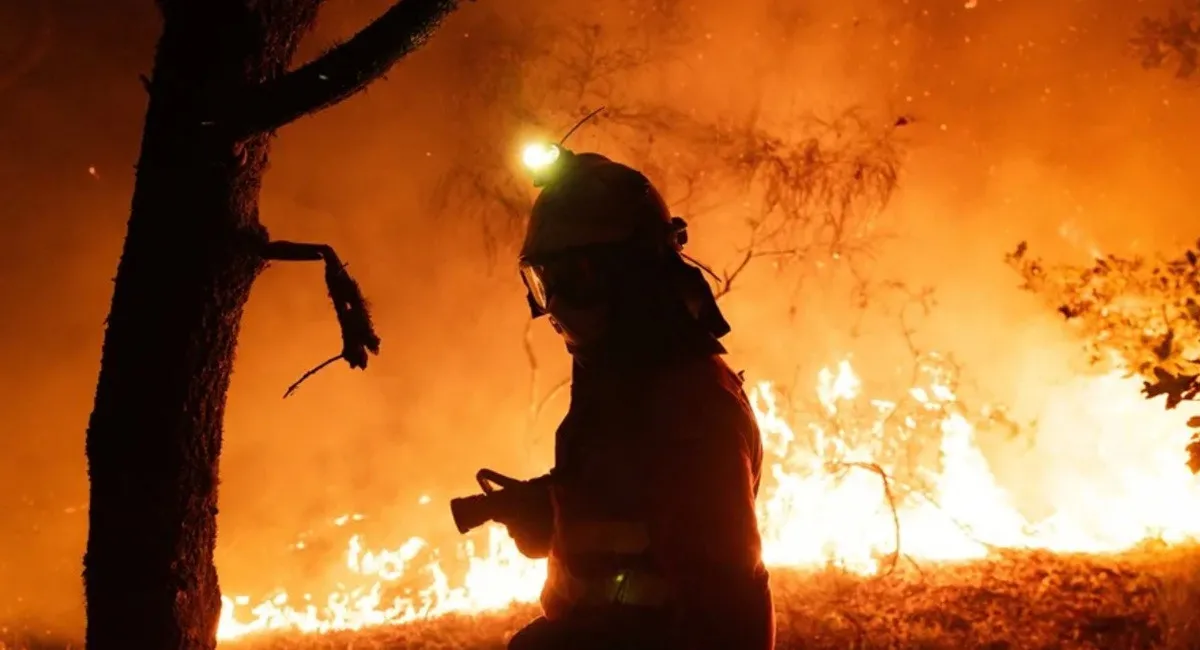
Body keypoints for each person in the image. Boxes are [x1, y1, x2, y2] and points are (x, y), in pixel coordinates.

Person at [499, 148, 775, 650]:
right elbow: (625, 508)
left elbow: (725, 607)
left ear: (631, 273)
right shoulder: (618, 379)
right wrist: (548, 506)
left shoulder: (689, 409)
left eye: (574, 277)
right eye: (545, 281)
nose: (556, 303)